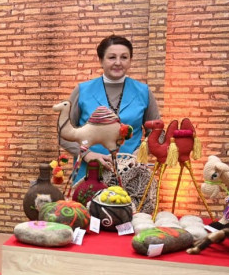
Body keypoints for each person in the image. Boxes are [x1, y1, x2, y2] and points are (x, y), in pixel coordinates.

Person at [60, 34, 160, 180]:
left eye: (124, 57)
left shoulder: (143, 91)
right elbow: (63, 133)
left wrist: (141, 153)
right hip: (88, 174)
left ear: (130, 61)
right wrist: (87, 154)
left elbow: (157, 132)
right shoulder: (82, 91)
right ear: (101, 60)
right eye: (112, 57)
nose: (118, 62)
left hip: (132, 174)